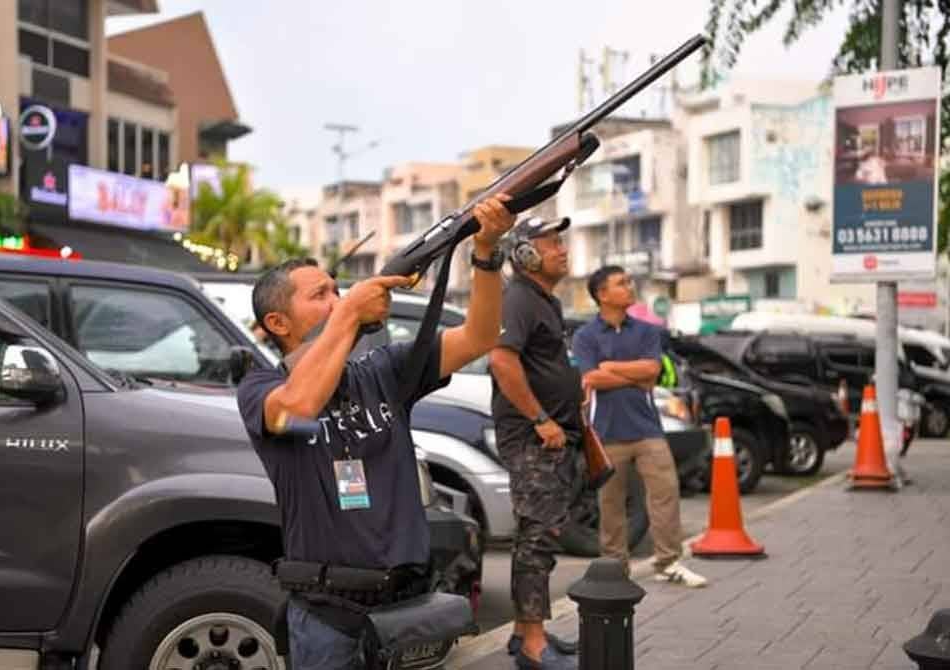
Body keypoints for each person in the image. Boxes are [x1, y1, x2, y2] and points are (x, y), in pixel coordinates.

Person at [236, 195, 515, 669]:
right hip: (327, 616)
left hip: (405, 607)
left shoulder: (382, 370)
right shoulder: (260, 389)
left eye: (337, 291)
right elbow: (299, 405)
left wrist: (486, 253)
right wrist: (348, 315)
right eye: (320, 296)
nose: (337, 300)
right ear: (278, 323)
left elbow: (479, 337)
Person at [573, 265, 708, 588]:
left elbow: (652, 371)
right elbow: (592, 378)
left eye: (629, 282)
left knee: (666, 493)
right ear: (602, 294)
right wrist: (631, 375)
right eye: (621, 283)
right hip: (606, 432)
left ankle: (668, 562)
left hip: (648, 429)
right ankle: (615, 570)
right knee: (611, 504)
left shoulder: (647, 332)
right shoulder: (585, 336)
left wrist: (611, 368)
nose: (630, 287)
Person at [489, 216, 582, 670]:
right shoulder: (518, 299)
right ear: (525, 254)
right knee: (538, 539)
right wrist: (541, 419)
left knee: (538, 536)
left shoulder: (544, 300)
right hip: (533, 438)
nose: (562, 250)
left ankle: (524, 631)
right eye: (551, 243)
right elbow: (501, 361)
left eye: (561, 242)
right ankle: (533, 645)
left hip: (552, 437)